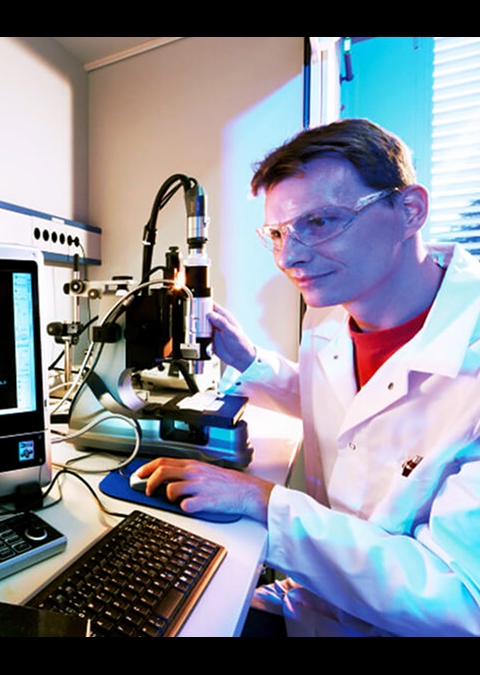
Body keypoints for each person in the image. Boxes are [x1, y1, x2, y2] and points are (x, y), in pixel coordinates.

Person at [136, 118, 480, 636]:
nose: (289, 257)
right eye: (277, 233)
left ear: (410, 210)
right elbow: (352, 408)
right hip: (312, 605)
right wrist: (249, 359)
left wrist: (262, 501)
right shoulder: (330, 313)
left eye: (319, 222)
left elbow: (457, 597)